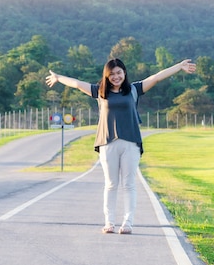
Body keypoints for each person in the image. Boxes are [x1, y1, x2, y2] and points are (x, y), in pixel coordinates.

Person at [45, 58, 196, 234]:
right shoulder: (100, 92)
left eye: (119, 73)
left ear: (124, 73)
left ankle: (128, 223)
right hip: (107, 143)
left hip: (130, 143)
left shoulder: (134, 90)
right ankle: (109, 223)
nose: (116, 77)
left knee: (129, 184)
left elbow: (156, 77)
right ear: (106, 76)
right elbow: (77, 84)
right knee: (111, 184)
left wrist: (179, 67)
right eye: (112, 74)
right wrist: (58, 77)